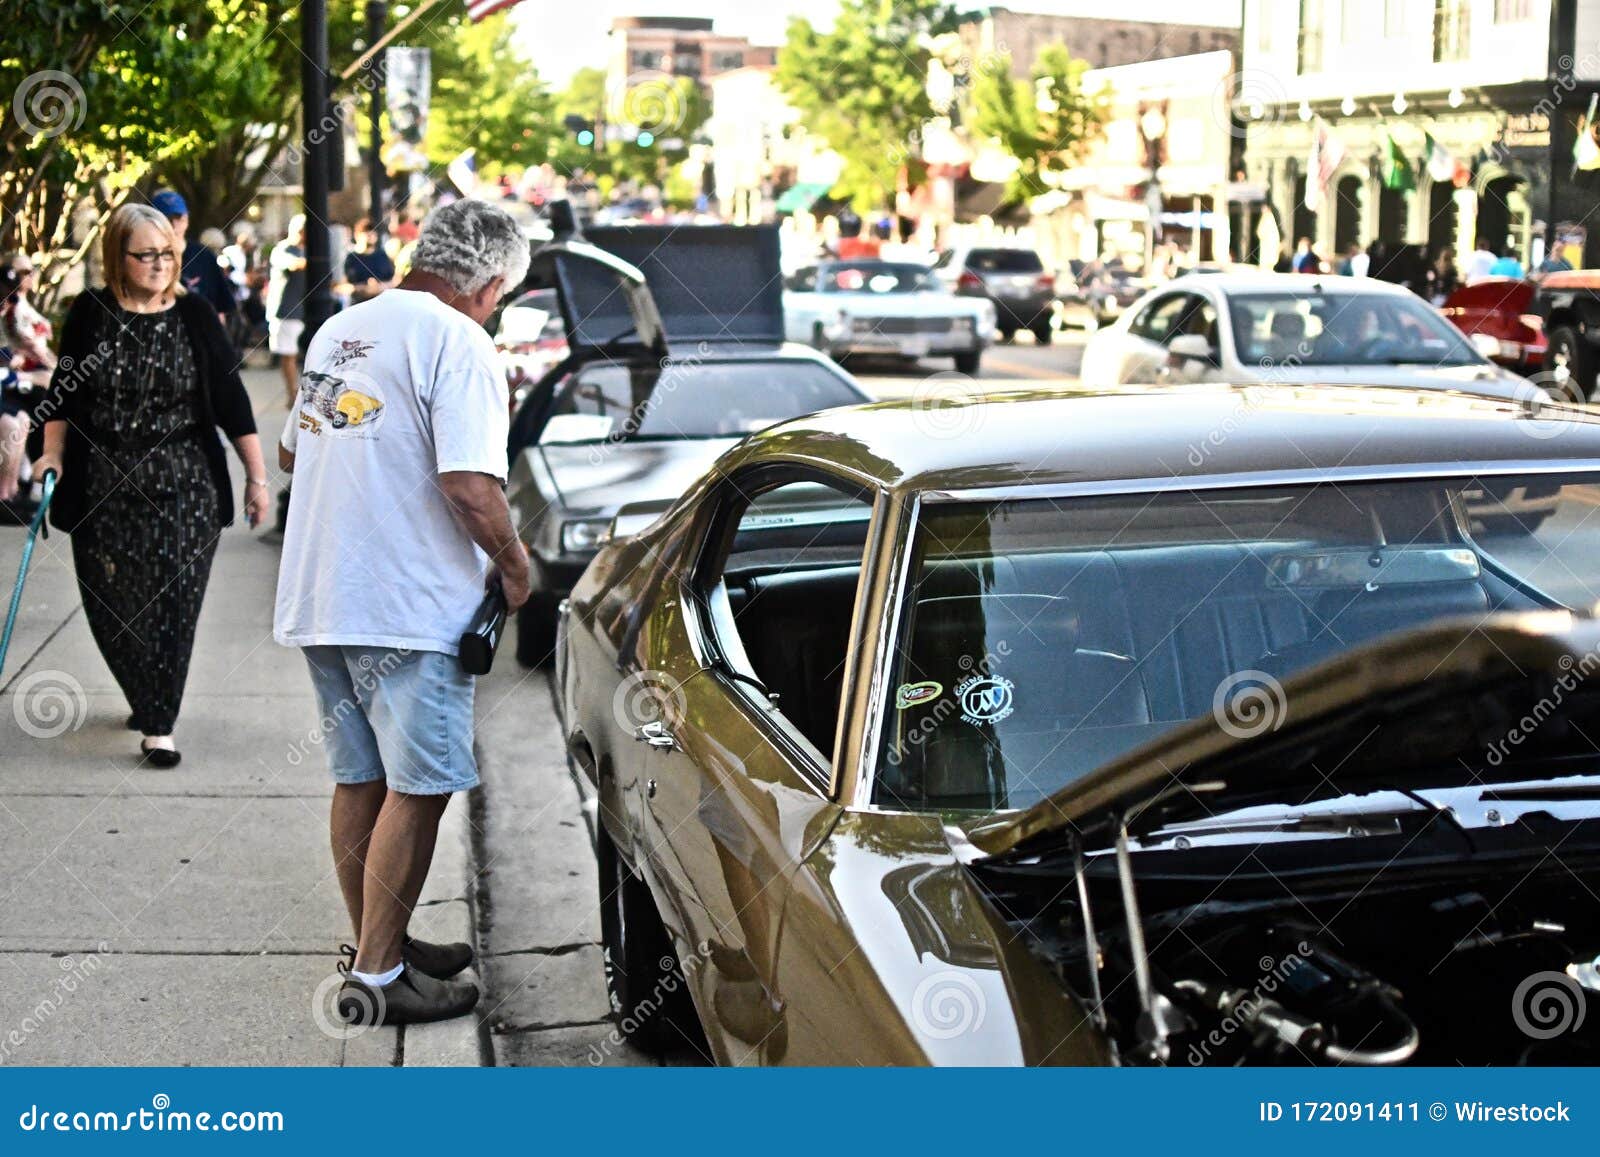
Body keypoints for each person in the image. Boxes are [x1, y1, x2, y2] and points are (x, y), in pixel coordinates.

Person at [273, 199, 531, 1025]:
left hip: (324, 591)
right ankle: (381, 977)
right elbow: (469, 485)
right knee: (420, 787)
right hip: (408, 605)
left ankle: (379, 940)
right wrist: (517, 568)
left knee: (360, 776)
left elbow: (293, 443)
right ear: (489, 285)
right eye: (503, 295)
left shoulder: (344, 328)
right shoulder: (460, 342)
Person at [29, 203, 268, 766]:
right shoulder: (89, 314)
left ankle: (160, 721)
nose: (160, 264)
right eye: (146, 255)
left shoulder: (196, 315)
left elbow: (232, 403)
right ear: (118, 256)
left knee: (173, 609)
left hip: (184, 482)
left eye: (168, 254)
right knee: (110, 607)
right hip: (103, 483)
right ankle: (145, 689)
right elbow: (63, 393)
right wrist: (51, 455)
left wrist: (257, 477)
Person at [151, 189, 237, 323]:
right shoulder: (144, 257)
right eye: (166, 218)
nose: (173, 225)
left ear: (187, 219)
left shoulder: (204, 257)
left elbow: (219, 310)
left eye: (179, 217)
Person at [266, 215, 308, 408]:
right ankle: (293, 393)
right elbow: (292, 264)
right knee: (288, 355)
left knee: (298, 354)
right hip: (286, 310)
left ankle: (297, 393)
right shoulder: (282, 249)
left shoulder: (307, 250)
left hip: (303, 310)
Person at [341, 218, 395, 304]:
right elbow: (341, 286)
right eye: (366, 232)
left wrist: (380, 287)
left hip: (381, 303)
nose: (370, 235)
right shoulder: (351, 258)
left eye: (373, 232)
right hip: (358, 304)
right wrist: (361, 288)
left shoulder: (383, 256)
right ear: (357, 235)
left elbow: (395, 280)